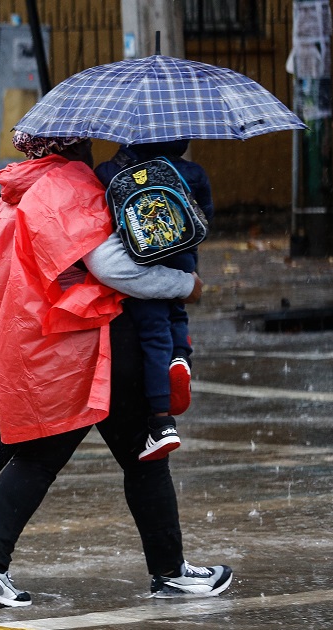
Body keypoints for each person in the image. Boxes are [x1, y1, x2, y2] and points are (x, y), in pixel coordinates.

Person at [0, 132, 232, 608]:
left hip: (41, 345)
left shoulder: (12, 195)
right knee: (145, 456)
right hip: (91, 345)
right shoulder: (69, 186)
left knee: (38, 459)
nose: (94, 145)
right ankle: (170, 572)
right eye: (86, 140)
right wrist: (183, 284)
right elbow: (112, 268)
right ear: (73, 144)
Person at [95, 140, 214, 461]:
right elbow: (205, 218)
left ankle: (162, 421)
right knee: (177, 315)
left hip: (143, 260)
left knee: (153, 335)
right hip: (182, 259)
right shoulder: (193, 172)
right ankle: (181, 359)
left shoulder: (111, 171)